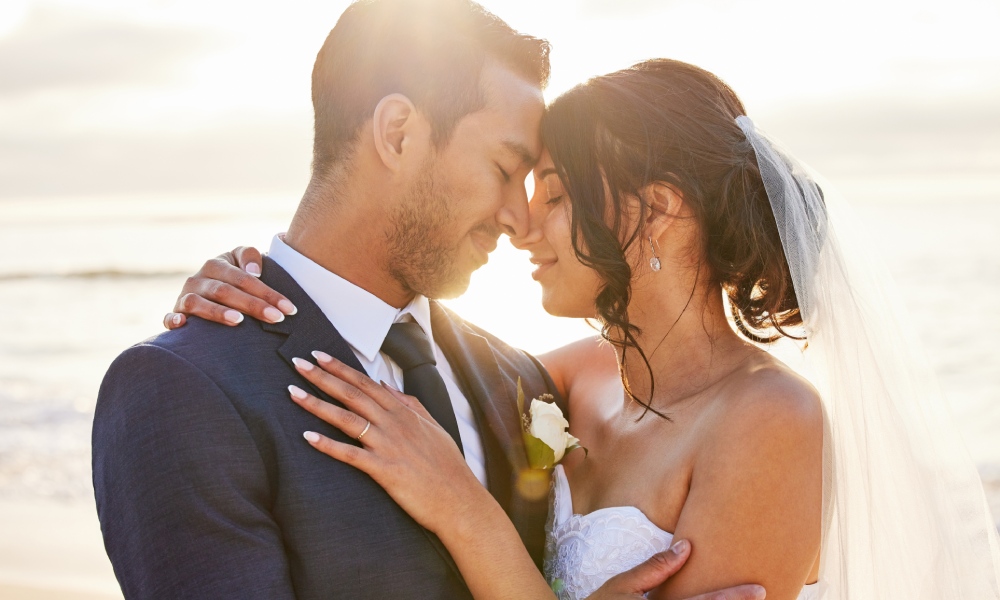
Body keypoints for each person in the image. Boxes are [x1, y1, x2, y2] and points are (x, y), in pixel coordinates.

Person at [174, 58, 1000, 600]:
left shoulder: (770, 422)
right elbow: (386, 325)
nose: (526, 226)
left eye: (559, 194)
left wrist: (465, 512)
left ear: (662, 213)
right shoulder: (553, 381)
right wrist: (259, 280)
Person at [92, 0, 765, 598]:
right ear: (398, 133)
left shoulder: (522, 380)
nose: (518, 219)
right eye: (505, 171)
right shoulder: (184, 388)